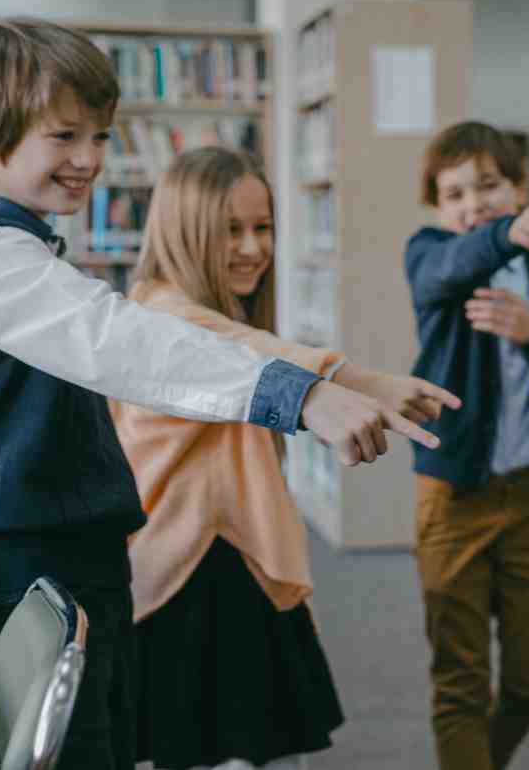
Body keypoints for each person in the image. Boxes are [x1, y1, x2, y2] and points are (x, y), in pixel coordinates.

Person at [0, 17, 441, 770]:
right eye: (65, 137)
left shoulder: (23, 248)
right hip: (33, 569)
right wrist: (302, 396)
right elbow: (126, 341)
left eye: (99, 137)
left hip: (72, 562)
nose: (90, 160)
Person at [112, 146, 459, 769]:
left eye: (262, 227)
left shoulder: (202, 308)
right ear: (185, 232)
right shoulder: (161, 313)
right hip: (189, 567)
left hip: (225, 552)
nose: (252, 248)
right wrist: (357, 380)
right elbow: (248, 353)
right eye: (230, 230)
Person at [404, 122, 529, 770]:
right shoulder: (431, 253)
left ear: (518, 188)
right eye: (454, 193)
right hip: (454, 499)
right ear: (437, 206)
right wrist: (501, 236)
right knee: (459, 681)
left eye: (488, 186)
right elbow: (449, 268)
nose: (473, 203)